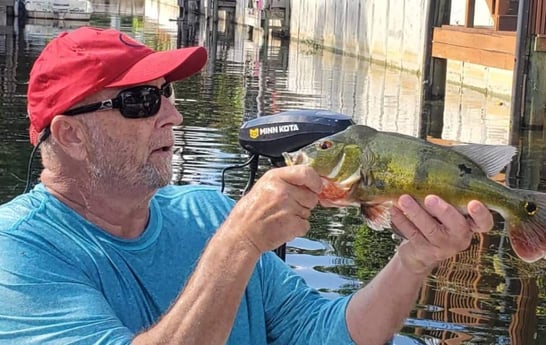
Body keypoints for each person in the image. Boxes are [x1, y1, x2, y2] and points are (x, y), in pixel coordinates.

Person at [0, 26, 493, 345]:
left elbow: (324, 332)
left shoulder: (206, 211)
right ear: (71, 135)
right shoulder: (17, 251)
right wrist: (237, 244)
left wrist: (413, 260)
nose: (173, 115)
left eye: (167, 94)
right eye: (139, 102)